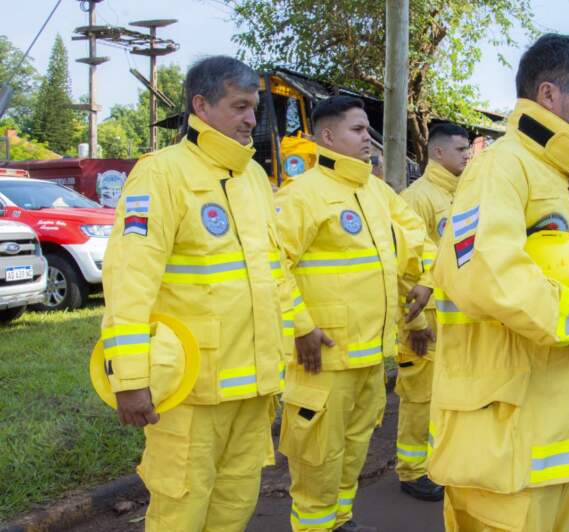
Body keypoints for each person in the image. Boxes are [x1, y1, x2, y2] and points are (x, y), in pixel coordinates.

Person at [429, 34, 569, 532]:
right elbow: (488, 275)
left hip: (559, 443)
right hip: (507, 445)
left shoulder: (566, 181)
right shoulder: (503, 166)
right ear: (548, 95)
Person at [100, 56, 292, 531]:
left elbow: (274, 273)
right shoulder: (160, 174)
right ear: (200, 106)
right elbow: (130, 278)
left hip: (252, 388)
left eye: (255, 108)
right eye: (240, 107)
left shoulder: (253, 179)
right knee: (181, 510)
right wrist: (129, 377)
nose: (252, 119)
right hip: (192, 389)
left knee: (234, 506)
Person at [275, 95, 431, 532]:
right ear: (327, 136)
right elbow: (271, 265)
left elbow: (415, 243)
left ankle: (339, 520)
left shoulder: (377, 193)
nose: (369, 139)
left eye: (369, 131)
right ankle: (314, 526)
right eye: (358, 130)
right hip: (322, 357)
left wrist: (425, 281)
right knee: (318, 458)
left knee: (352, 449)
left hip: (370, 353)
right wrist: (300, 326)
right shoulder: (302, 195)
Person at [394, 122, 471, 501]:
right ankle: (412, 471)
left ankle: (438, 462)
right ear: (438, 153)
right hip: (426, 324)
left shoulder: (462, 196)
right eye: (460, 149)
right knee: (420, 400)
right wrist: (416, 322)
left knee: (447, 399)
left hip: (456, 323)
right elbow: (407, 268)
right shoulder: (417, 197)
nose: (467, 155)